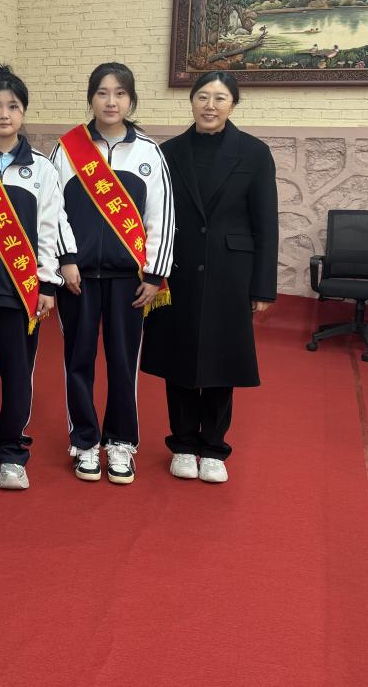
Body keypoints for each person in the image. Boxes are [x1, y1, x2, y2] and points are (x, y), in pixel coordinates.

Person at [140, 69, 278, 483]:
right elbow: (155, 217)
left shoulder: (254, 153)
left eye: (220, 98)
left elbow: (265, 225)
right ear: (191, 102)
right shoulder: (168, 153)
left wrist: (263, 286)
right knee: (179, 358)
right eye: (202, 97)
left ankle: (214, 447)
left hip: (229, 273)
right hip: (178, 270)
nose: (210, 106)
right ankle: (183, 444)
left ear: (233, 104)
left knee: (222, 360)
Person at [51, 62, 173, 485]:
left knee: (123, 362)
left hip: (128, 281)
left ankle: (121, 442)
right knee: (78, 360)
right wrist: (65, 259)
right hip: (77, 278)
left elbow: (161, 217)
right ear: (91, 98)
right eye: (102, 93)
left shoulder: (149, 153)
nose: (110, 101)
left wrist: (154, 275)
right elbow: (53, 212)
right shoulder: (67, 150)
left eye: (120, 93)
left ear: (131, 100)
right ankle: (85, 441)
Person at [0, 64, 73, 491]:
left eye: (13, 106)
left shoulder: (41, 168)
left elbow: (49, 227)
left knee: (18, 375)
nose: (4, 114)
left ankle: (11, 450)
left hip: (21, 294)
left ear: (24, 112)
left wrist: (47, 283)